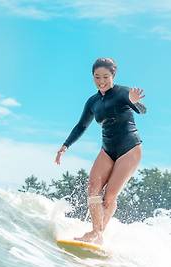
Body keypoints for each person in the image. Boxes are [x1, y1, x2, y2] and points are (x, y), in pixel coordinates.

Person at [54, 57, 146, 244]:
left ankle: (96, 233)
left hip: (130, 148)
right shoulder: (92, 102)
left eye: (105, 76)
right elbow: (81, 125)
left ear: (113, 75)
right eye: (97, 77)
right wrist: (65, 146)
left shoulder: (124, 93)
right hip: (108, 149)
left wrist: (134, 102)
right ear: (92, 77)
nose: (101, 81)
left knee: (109, 196)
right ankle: (97, 233)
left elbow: (142, 110)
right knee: (93, 188)